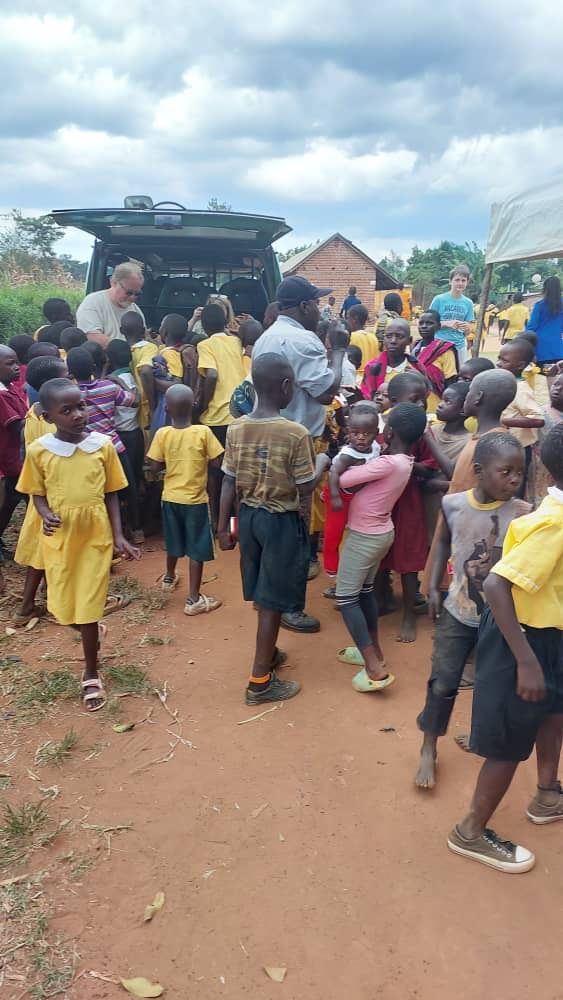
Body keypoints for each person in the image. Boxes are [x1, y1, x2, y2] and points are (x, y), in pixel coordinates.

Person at [448, 423, 563, 873]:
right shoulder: (555, 524)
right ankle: (470, 832)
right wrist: (527, 663)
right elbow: (497, 585)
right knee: (509, 743)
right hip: (524, 641)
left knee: (553, 714)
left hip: (548, 635)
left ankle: (547, 794)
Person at [16, 378, 139, 712]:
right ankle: (88, 626)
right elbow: (35, 489)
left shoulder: (102, 446)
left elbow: (112, 492)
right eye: (66, 410)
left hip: (94, 536)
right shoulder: (40, 450)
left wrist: (118, 535)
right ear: (48, 414)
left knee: (86, 605)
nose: (77, 414)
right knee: (60, 606)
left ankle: (90, 671)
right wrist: (44, 512)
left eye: (81, 406)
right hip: (60, 538)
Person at [415, 432, 530, 790]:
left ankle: (477, 736)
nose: (515, 479)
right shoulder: (453, 505)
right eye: (505, 471)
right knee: (443, 680)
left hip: (502, 620)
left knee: (490, 682)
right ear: (479, 471)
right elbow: (445, 542)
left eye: (520, 472)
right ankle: (428, 747)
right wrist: (434, 585)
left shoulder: (523, 513)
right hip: (458, 611)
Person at [218, 353, 329, 703]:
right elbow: (305, 485)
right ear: (285, 387)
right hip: (281, 522)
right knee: (272, 601)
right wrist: (324, 461)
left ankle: (270, 654)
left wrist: (223, 527)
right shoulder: (296, 434)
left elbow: (228, 481)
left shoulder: (236, 427)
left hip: (249, 519)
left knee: (264, 594)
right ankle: (260, 682)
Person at [251, 276, 349, 634]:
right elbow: (325, 392)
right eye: (316, 304)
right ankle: (289, 605)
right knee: (293, 526)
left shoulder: (266, 336)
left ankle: (271, 597)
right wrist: (338, 350)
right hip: (297, 442)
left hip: (267, 438)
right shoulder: (302, 340)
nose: (320, 310)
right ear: (305, 306)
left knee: (274, 519)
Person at [335, 402, 427, 690]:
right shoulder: (405, 460)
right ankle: (373, 650)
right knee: (364, 592)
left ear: (388, 431)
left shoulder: (388, 462)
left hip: (365, 536)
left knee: (346, 599)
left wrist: (337, 462)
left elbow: (345, 479)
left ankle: (374, 668)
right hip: (381, 532)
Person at [146, 384, 223, 615]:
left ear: (167, 409)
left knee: (173, 540)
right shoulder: (203, 432)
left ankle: (169, 578)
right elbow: (218, 463)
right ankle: (193, 599)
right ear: (193, 406)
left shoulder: (162, 434)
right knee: (196, 549)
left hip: (170, 497)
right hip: (196, 500)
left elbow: (154, 465)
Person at [379, 372, 438, 642]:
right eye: (414, 400)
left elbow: (430, 468)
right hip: (381, 504)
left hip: (409, 503)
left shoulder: (421, 435)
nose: (421, 407)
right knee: (379, 554)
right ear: (393, 401)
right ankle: (383, 598)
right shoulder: (380, 429)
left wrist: (410, 465)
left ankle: (408, 614)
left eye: (423, 401)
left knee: (408, 555)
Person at [13, 356, 67, 625]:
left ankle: (32, 604)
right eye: (65, 377)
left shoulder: (33, 412)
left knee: (41, 553)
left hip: (42, 495)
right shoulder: (51, 421)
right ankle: (33, 606)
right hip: (53, 498)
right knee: (48, 553)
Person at [322, 402, 381, 595]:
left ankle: (352, 574)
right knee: (334, 534)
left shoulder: (376, 447)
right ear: (348, 432)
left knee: (353, 534)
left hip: (356, 495)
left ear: (376, 432)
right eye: (356, 433)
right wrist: (335, 497)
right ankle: (335, 573)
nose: (361, 438)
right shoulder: (348, 454)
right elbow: (333, 474)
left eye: (367, 433)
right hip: (339, 495)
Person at [196, 303, 246, 526]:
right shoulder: (236, 341)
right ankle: (237, 525)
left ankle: (217, 522)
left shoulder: (205, 345)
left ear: (204, 326)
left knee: (215, 474)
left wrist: (201, 406)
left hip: (216, 417)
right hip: (240, 415)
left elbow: (212, 375)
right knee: (237, 473)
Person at [105, 340, 146, 544]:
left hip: (120, 436)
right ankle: (138, 525)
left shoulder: (111, 382)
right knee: (136, 478)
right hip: (135, 434)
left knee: (124, 482)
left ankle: (132, 526)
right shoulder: (132, 376)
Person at [497, 338, 544, 499]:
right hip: (505, 446)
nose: (498, 363)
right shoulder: (506, 383)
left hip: (519, 450)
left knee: (514, 486)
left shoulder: (521, 389)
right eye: (499, 358)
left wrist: (505, 421)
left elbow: (538, 419)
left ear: (520, 365)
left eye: (504, 360)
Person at [76, 262, 145, 347]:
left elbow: (143, 338)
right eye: (129, 292)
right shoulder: (93, 302)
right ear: (113, 282)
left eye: (137, 293)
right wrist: (125, 349)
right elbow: (91, 336)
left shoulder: (135, 309)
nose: (133, 298)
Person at [0, 345, 28, 557]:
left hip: (17, 459)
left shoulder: (9, 388)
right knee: (25, 498)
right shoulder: (1, 395)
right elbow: (17, 425)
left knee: (12, 500)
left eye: (17, 362)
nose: (17, 367)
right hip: (13, 459)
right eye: (10, 364)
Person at [361, 319, 427, 400]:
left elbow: (424, 397)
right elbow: (367, 396)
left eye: (399, 337)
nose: (393, 341)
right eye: (388, 336)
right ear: (384, 339)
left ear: (409, 340)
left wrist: (420, 379)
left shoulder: (416, 367)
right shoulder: (372, 367)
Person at [411, 309, 458, 412]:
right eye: (421, 323)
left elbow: (450, 380)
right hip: (414, 402)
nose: (424, 326)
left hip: (435, 404)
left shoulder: (444, 350)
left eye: (429, 323)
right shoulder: (414, 348)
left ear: (438, 326)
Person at [120, 312, 158, 433]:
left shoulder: (121, 350)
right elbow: (146, 371)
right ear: (143, 330)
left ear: (121, 330)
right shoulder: (148, 348)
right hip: (146, 403)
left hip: (129, 407)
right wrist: (153, 407)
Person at [430, 264, 474, 364]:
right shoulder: (439, 299)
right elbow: (428, 324)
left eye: (463, 280)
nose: (460, 283)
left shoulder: (468, 303)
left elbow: (467, 332)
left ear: (467, 282)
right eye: (457, 280)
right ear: (450, 281)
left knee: (460, 375)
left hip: (459, 346)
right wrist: (447, 323)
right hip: (439, 344)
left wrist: (467, 328)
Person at [526, 276, 563, 375]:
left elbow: (531, 328)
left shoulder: (539, 305)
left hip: (540, 347)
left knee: (542, 378)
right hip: (558, 347)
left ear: (545, 289)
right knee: (558, 378)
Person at [348, 305, 378, 375]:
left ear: (354, 319)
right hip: (370, 378)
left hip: (356, 377)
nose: (347, 322)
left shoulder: (351, 337)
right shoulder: (373, 337)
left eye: (348, 318)